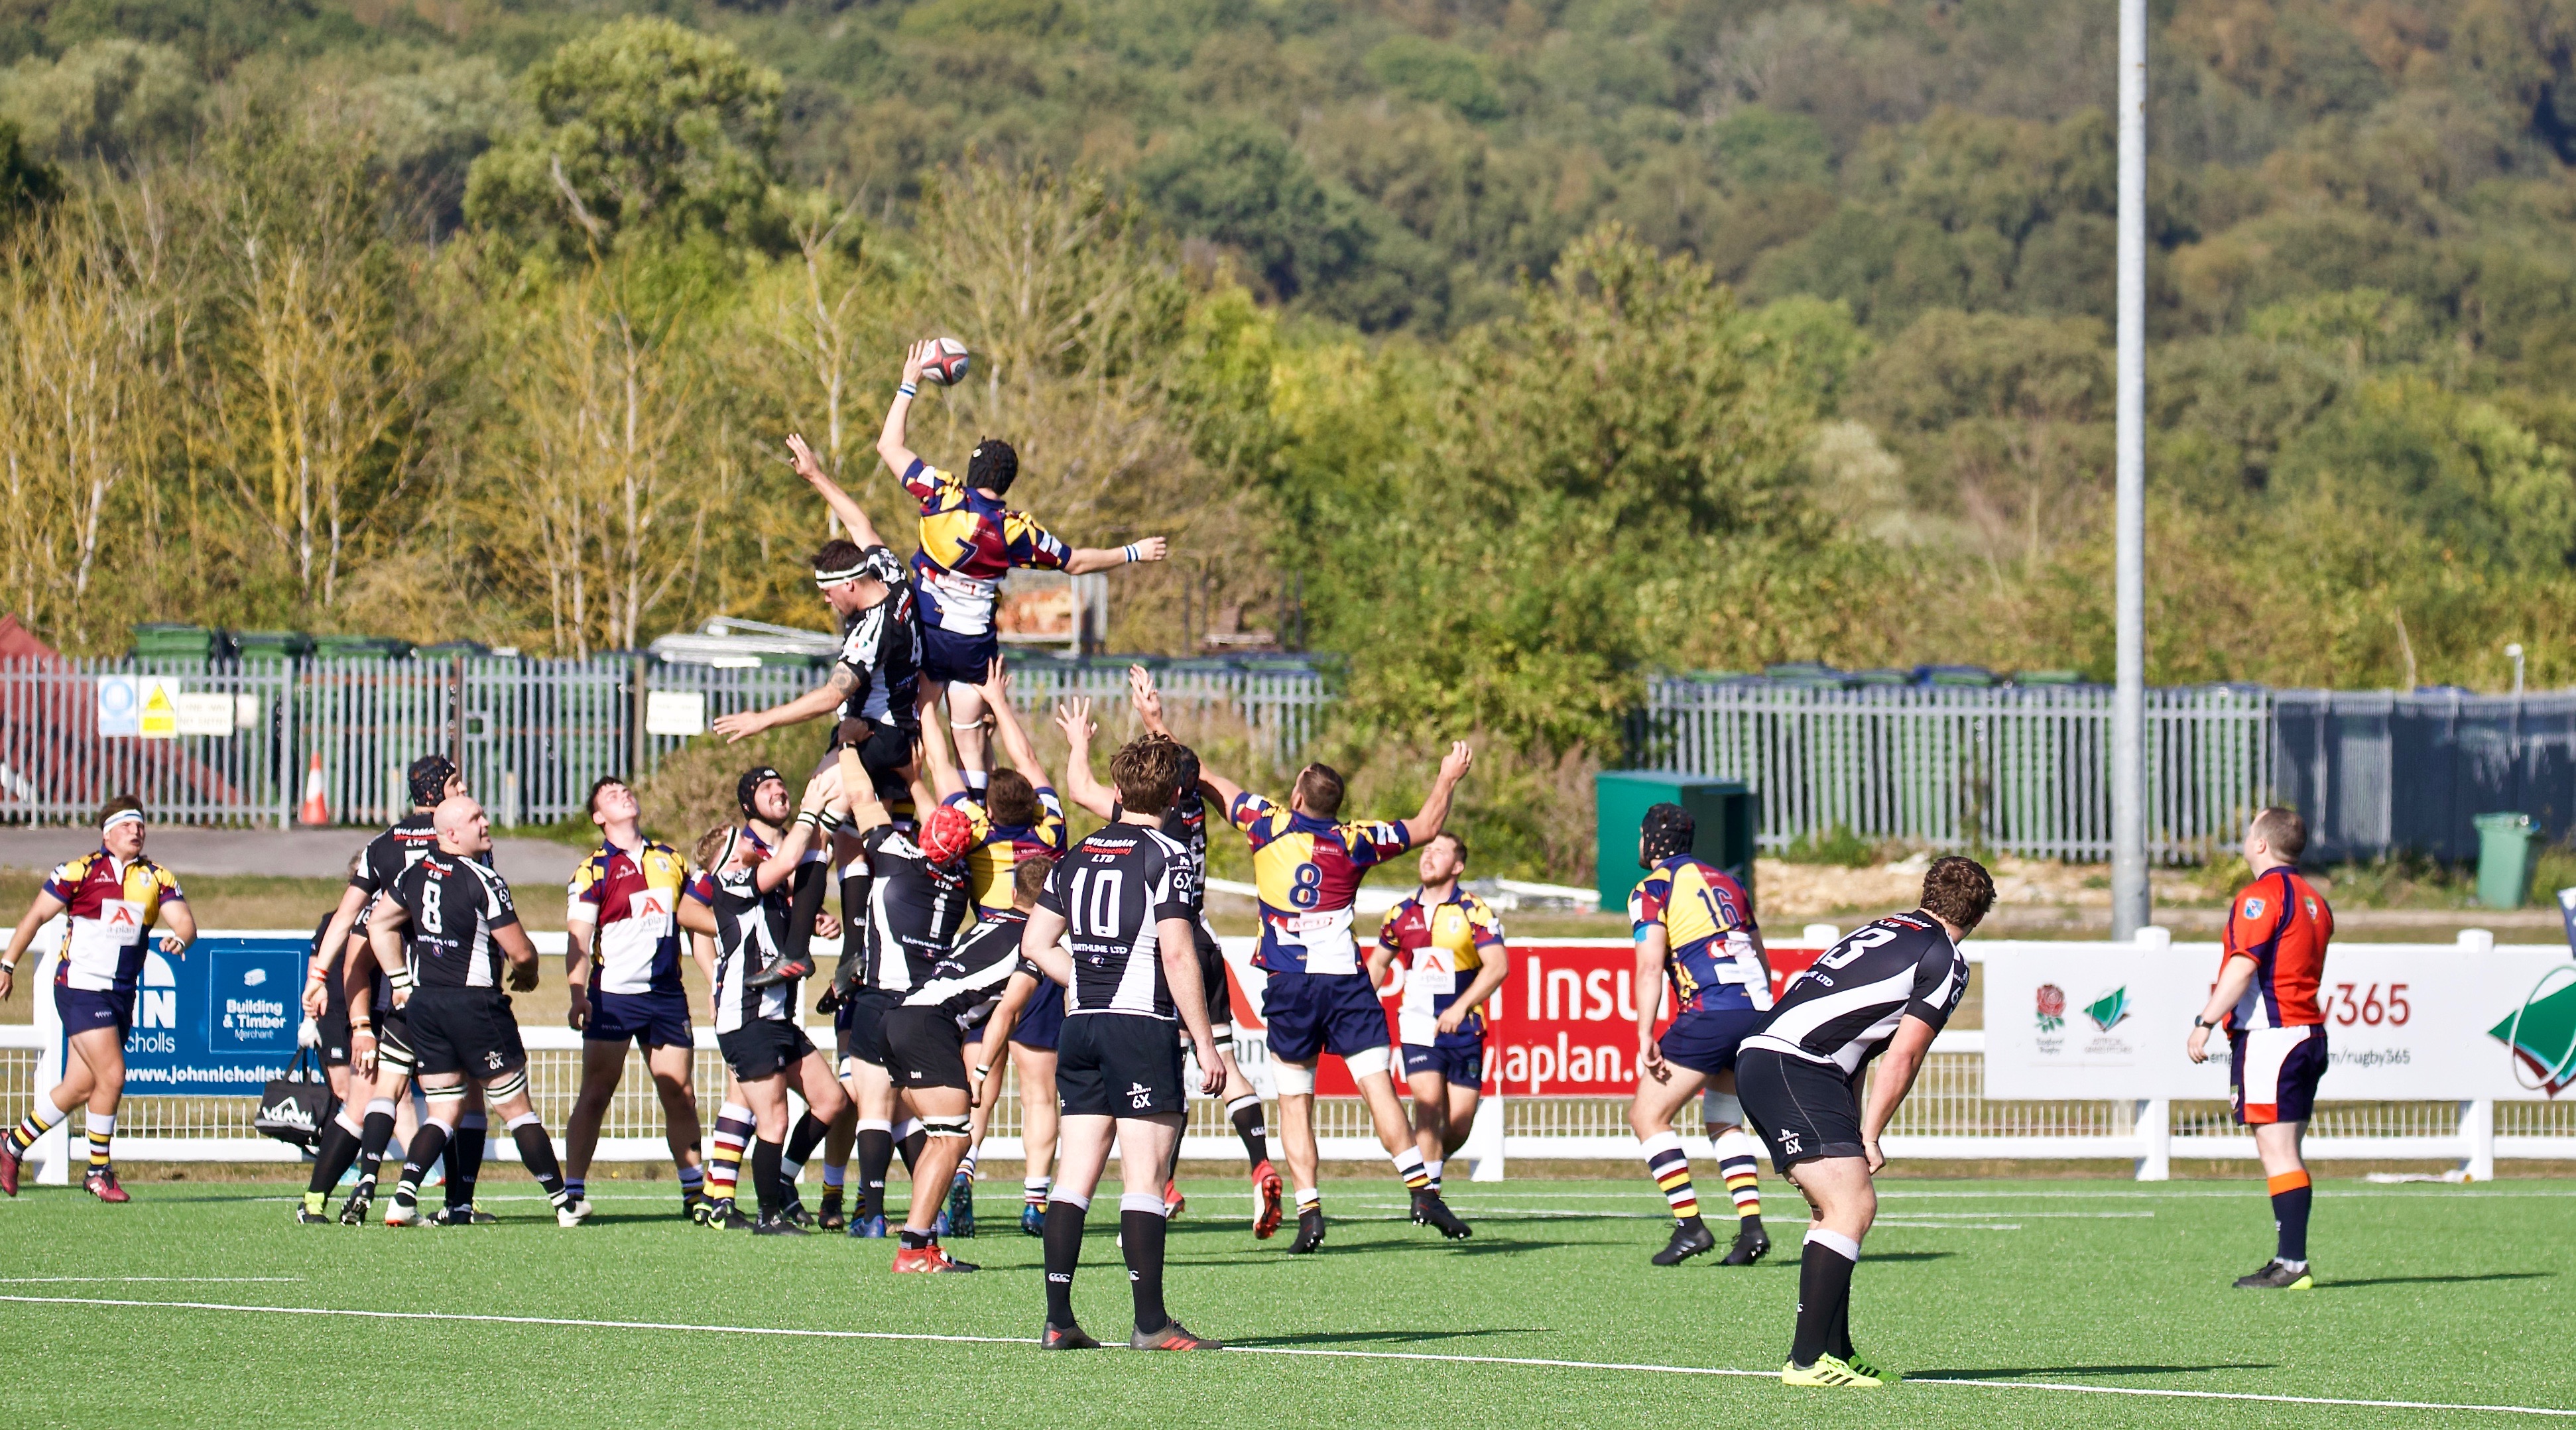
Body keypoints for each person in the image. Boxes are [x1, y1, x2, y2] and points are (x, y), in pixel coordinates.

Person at [1199, 743, 1476, 1252]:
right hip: (1345, 984)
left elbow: (1210, 779)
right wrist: (1447, 777)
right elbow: (1426, 826)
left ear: (1297, 794)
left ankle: (1310, 1212)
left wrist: (1156, 722)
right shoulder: (1357, 839)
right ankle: (1421, 1189)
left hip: (1290, 984)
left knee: (1294, 1101)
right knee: (1378, 1088)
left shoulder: (1268, 822)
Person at [1736, 856, 1991, 1388]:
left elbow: (1854, 1046)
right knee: (1852, 1203)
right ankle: (1805, 1361)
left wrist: (1852, 1129)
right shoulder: (1944, 957)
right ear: (1979, 914)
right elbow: (1905, 1055)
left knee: (1833, 1207)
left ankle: (1836, 1350)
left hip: (1777, 1059)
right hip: (1795, 1064)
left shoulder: (1886, 927)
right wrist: (1871, 1134)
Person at [874, 337, 1168, 789]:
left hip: (929, 634)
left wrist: (908, 385)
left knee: (924, 718)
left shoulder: (943, 495)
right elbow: (1077, 561)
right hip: (974, 644)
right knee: (970, 736)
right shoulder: (1017, 531)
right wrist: (1133, 551)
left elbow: (889, 446)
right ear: (1006, 481)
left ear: (972, 474)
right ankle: (983, 810)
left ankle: (943, 815)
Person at [1019, 734, 1226, 1350]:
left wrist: (1083, 978)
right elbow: (1177, 947)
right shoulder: (1169, 852)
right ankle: (1150, 1323)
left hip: (1080, 1024)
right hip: (1140, 1024)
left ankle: (1059, 1319)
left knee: (1073, 1175)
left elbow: (1035, 944)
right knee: (1144, 1174)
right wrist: (1205, 1040)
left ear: (1116, 791)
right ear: (1172, 794)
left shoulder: (1077, 854)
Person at [364, 796, 591, 1228]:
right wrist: (527, 973)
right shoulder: (482, 878)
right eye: (475, 818)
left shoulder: (414, 872)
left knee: (444, 1109)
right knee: (515, 1107)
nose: (485, 823)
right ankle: (564, 1204)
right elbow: (521, 950)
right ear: (451, 833)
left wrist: (399, 981)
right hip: (475, 1006)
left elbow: (379, 921)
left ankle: (403, 1198)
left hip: (426, 1006)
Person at [300, 754, 497, 1224]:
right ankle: (455, 1202)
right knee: (460, 1096)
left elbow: (350, 920)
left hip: (399, 990)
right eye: (458, 782)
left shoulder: (383, 845)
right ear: (441, 790)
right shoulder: (461, 836)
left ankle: (317, 1200)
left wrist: (318, 975)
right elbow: (486, 909)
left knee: (369, 1094)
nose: (466, 791)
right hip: (453, 986)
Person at [0, 796, 194, 1202]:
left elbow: (185, 921)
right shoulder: (79, 871)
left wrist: (181, 936)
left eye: (140, 825)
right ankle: (98, 1171)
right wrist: (7, 965)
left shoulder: (157, 877)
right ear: (107, 833)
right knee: (113, 1075)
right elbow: (35, 917)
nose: (136, 832)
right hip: (80, 986)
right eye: (126, 825)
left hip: (122, 994)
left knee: (78, 1086)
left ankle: (12, 1145)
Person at [836, 693, 979, 1238]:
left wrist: (846, 743)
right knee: (925, 1117)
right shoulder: (960, 877)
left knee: (876, 1106)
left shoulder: (896, 856)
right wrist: (918, 780)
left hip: (881, 996)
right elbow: (943, 829)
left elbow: (860, 796)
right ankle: (936, 1205)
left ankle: (871, 1211)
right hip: (927, 1006)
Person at [694, 772, 853, 1235]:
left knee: (831, 1100)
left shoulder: (757, 888)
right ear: (726, 858)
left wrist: (820, 921)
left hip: (775, 1015)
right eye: (735, 838)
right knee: (774, 1117)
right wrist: (811, 809)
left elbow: (798, 889)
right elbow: (787, 858)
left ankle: (780, 1183)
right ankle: (766, 1214)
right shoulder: (733, 882)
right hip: (746, 1015)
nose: (745, 838)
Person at [881, 848, 1054, 1270]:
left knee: (943, 1136)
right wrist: (979, 1071)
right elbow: (1007, 1013)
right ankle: (911, 1252)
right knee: (955, 1139)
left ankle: (923, 1245)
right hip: (928, 1024)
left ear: (1014, 894)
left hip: (900, 1017)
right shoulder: (1034, 944)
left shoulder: (988, 924)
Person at [2189, 806, 2333, 1291]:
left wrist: (2203, 1021)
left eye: (2250, 830)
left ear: (2260, 844)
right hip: (2307, 1032)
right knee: (2285, 1148)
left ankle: (2291, 1262)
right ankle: (2290, 1258)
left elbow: (2243, 966)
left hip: (2274, 1038)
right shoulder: (2315, 899)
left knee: (2277, 1151)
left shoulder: (2260, 897)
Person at [1625, 802, 1774, 1268]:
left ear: (1651, 839)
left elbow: (1650, 965)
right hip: (1757, 1007)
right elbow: (1760, 953)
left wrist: (1645, 1032)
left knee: (1647, 1116)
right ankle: (1750, 1228)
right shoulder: (1729, 881)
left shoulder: (1651, 888)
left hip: (1712, 1010)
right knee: (1723, 1119)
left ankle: (1690, 1225)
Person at [561, 776, 705, 1220]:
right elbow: (578, 940)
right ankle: (573, 1191)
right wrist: (577, 993)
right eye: (610, 795)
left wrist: (716, 981)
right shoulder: (593, 869)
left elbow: (699, 920)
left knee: (679, 1091)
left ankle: (694, 1193)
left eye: (625, 789)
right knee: (597, 1091)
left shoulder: (671, 857)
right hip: (614, 996)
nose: (623, 794)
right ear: (599, 817)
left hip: (665, 996)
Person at [1370, 830, 1508, 1209]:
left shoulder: (1474, 911)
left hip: (1465, 1027)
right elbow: (1379, 963)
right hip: (1417, 1024)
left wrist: (1462, 1006)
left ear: (1458, 866)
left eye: (1440, 851)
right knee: (1428, 1104)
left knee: (1459, 1124)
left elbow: (1497, 967)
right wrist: (1357, 1005)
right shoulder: (1401, 913)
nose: (1428, 856)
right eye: (1426, 850)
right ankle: (1427, 1197)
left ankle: (1427, 1165)